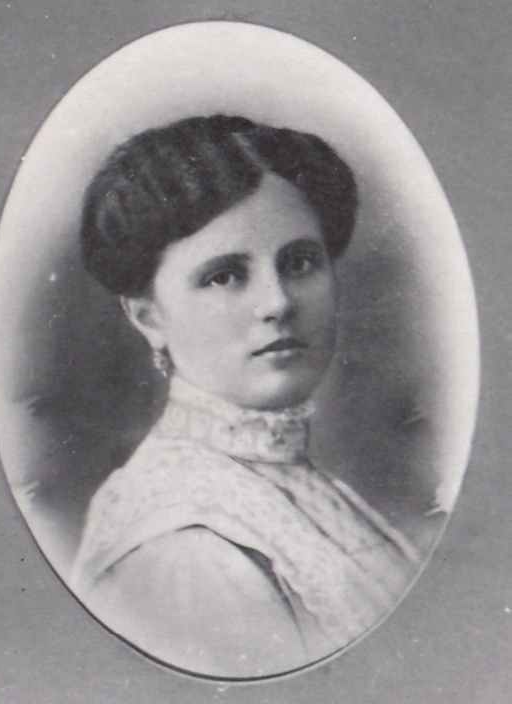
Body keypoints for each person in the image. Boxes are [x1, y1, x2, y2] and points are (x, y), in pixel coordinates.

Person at [70, 115, 421, 678]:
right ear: (148, 317)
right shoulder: (183, 548)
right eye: (225, 275)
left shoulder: (299, 486)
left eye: (300, 262)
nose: (277, 302)